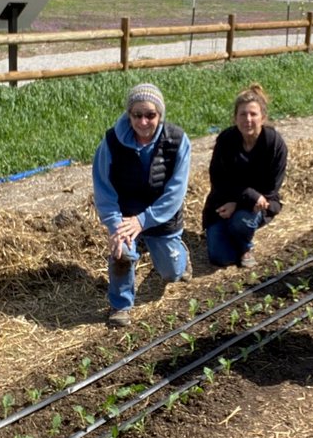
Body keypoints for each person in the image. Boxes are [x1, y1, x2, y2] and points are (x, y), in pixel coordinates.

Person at [92, 83, 191, 328]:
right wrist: (115, 225)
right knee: (122, 253)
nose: (143, 121)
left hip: (162, 216)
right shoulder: (111, 142)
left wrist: (143, 220)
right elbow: (104, 189)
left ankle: (180, 255)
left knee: (171, 273)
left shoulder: (177, 141)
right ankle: (120, 304)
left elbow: (175, 193)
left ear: (160, 115)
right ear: (129, 114)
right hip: (126, 216)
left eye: (150, 115)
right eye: (137, 115)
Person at [201, 83, 287, 269]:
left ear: (263, 117)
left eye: (253, 114)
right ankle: (236, 241)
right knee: (220, 258)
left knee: (242, 221)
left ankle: (245, 247)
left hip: (257, 204)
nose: (248, 119)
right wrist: (238, 200)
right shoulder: (226, 140)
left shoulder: (274, 143)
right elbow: (218, 180)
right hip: (223, 202)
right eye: (243, 114)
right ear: (235, 118)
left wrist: (240, 203)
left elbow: (271, 187)